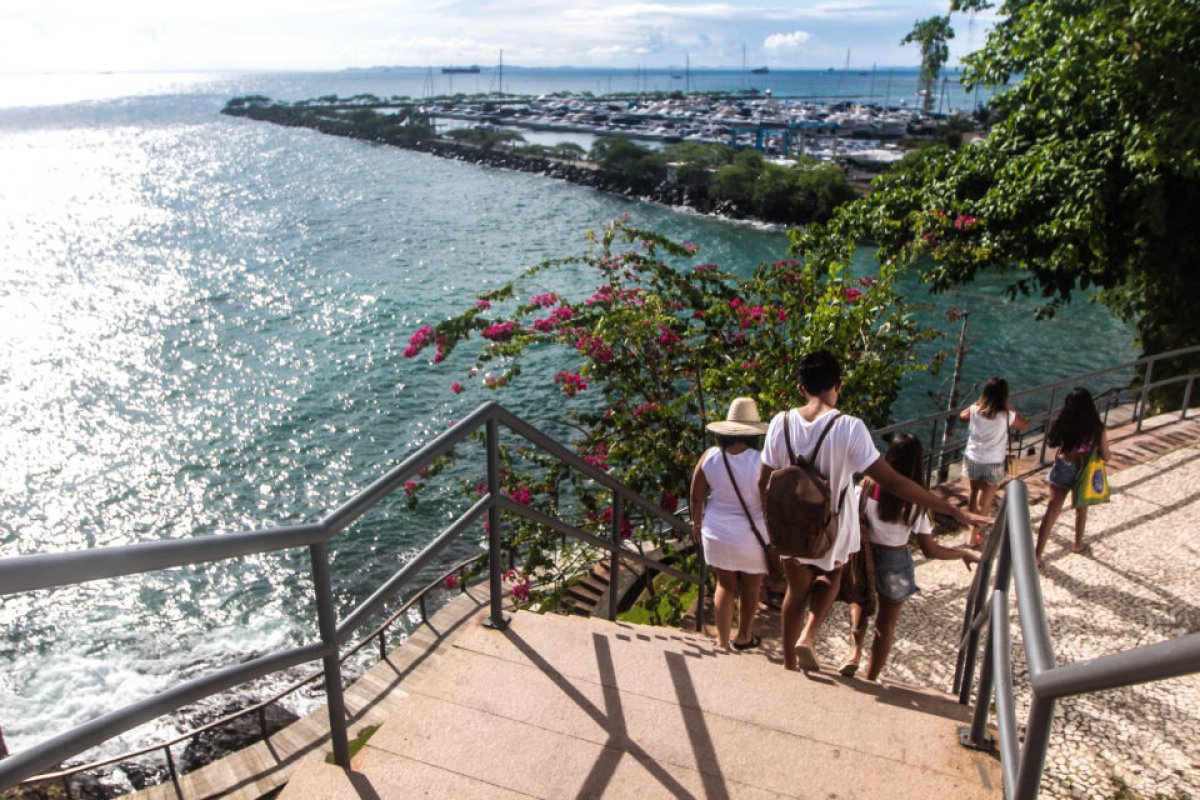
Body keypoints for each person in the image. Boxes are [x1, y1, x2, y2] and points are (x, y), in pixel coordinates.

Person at [758, 350, 990, 673]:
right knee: (833, 575)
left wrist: (772, 530)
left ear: (801, 388)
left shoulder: (778, 423)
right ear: (838, 384)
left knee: (795, 593)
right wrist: (951, 509)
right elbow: (894, 482)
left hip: (789, 528)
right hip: (830, 527)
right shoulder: (849, 428)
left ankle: (788, 665)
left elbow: (763, 482)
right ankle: (809, 635)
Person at [841, 433, 980, 681]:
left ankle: (853, 654)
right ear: (917, 462)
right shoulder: (915, 503)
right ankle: (871, 677)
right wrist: (962, 553)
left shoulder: (865, 487)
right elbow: (930, 550)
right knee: (886, 627)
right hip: (895, 563)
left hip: (865, 555)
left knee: (860, 604)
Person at [689, 397, 771, 651]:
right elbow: (770, 500)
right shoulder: (763, 461)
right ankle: (744, 635)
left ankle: (722, 641)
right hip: (753, 537)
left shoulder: (710, 456)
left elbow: (696, 495)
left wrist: (696, 524)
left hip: (717, 532)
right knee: (751, 586)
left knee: (724, 584)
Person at [1035, 387, 1111, 567]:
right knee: (1081, 509)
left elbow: (1052, 442)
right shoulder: (1097, 428)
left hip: (1062, 466)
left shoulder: (1064, 421)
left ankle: (1036, 555)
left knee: (1052, 511)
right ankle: (1078, 544)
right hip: (1082, 471)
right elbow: (1107, 456)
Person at [959, 377, 1030, 546]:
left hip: (973, 458)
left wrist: (978, 403)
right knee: (986, 501)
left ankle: (971, 530)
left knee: (973, 493)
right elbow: (1025, 425)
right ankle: (974, 536)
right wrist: (1012, 407)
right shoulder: (1007, 415)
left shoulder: (975, 409)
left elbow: (962, 416)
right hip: (994, 462)